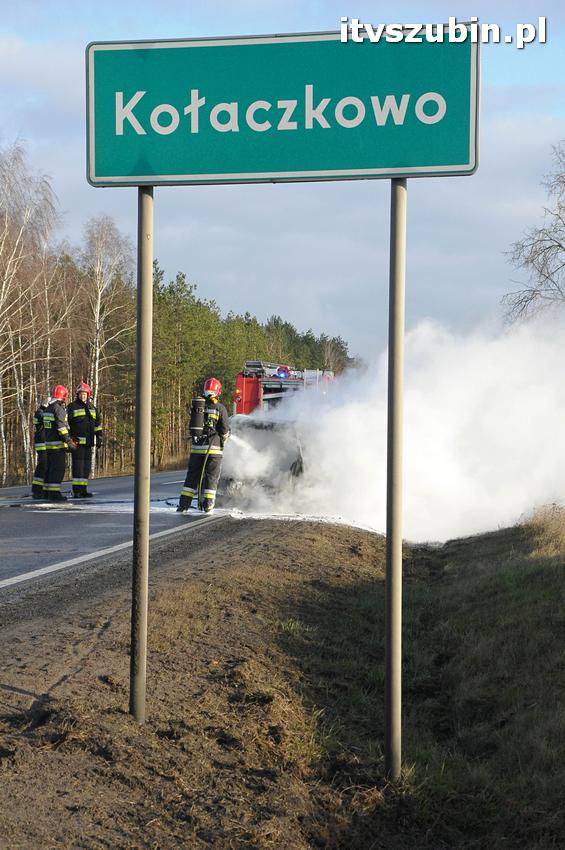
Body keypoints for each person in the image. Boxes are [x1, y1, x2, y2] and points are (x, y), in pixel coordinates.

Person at [177, 377, 230, 513]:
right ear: (218, 391)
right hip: (213, 450)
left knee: (192, 477)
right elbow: (224, 430)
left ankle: (183, 505)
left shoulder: (197, 406)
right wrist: (225, 439)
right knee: (211, 477)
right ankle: (208, 505)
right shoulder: (220, 408)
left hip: (197, 449)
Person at [67, 381, 103, 498]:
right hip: (77, 443)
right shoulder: (72, 407)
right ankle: (76, 490)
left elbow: (97, 425)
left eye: (85, 394)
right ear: (77, 395)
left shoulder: (92, 408)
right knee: (78, 467)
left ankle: (83, 490)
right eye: (81, 394)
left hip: (88, 443)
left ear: (88, 395)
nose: (83, 396)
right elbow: (67, 424)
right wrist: (70, 438)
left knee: (86, 467)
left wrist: (99, 437)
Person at [43, 384, 74, 501]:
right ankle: (54, 493)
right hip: (57, 445)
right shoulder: (59, 409)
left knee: (49, 469)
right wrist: (68, 441)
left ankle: (46, 492)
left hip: (48, 444)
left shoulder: (48, 409)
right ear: (63, 396)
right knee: (58, 469)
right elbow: (61, 427)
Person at [31, 398, 50, 498]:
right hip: (42, 444)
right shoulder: (40, 413)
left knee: (46, 466)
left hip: (45, 443)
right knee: (43, 466)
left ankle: (42, 489)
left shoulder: (41, 412)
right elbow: (47, 418)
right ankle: (37, 490)